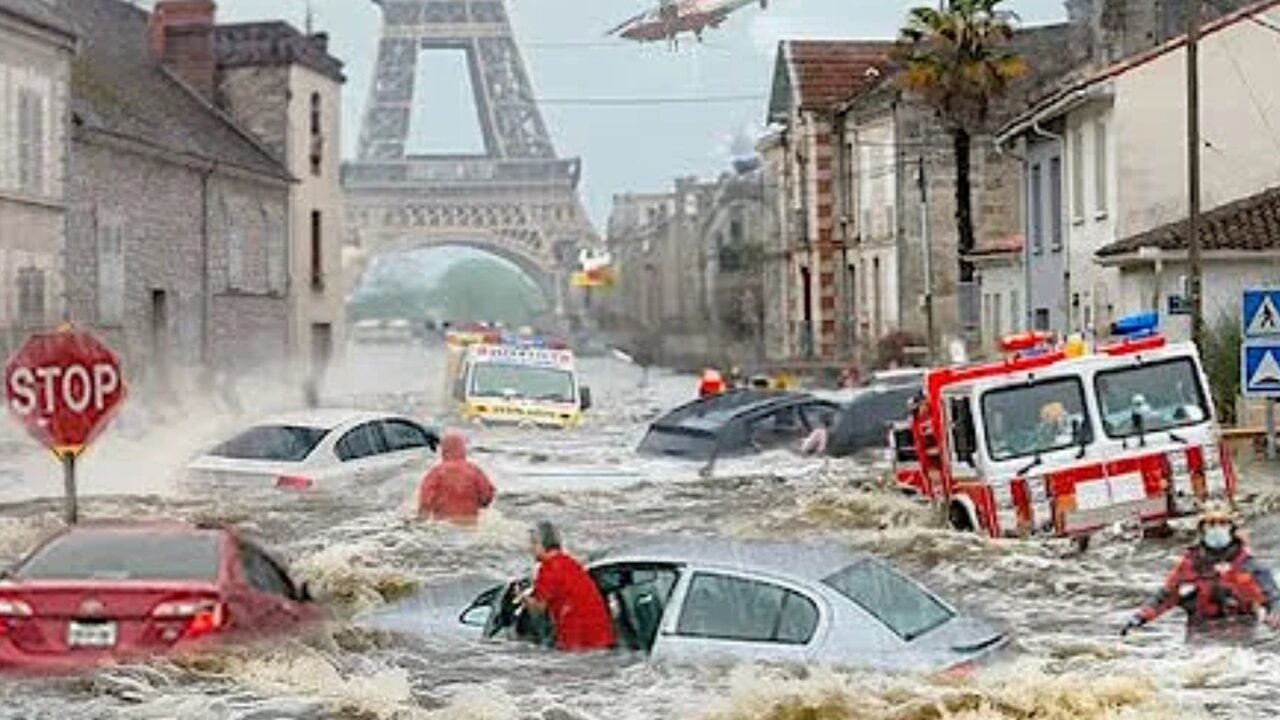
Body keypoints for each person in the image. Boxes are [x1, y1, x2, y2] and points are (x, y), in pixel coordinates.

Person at [1123, 503, 1280, 640]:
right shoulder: (1189, 564)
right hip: (1199, 638)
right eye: (1211, 524)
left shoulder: (1250, 565)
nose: (1216, 528)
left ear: (1231, 528)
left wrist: (1275, 616)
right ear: (1202, 529)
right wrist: (1140, 617)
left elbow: (1273, 598)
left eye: (1222, 523)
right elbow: (1164, 597)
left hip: (1241, 640)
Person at [520, 521, 616, 652]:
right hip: (601, 636)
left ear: (541, 544)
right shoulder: (570, 563)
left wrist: (523, 598)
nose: (530, 549)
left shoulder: (548, 569)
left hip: (579, 640)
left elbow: (538, 609)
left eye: (533, 544)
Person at [417, 432, 495, 524]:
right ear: (463, 449)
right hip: (469, 522)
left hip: (443, 522)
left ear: (443, 450)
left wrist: (421, 519)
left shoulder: (435, 472)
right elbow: (487, 497)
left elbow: (425, 501)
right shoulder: (474, 471)